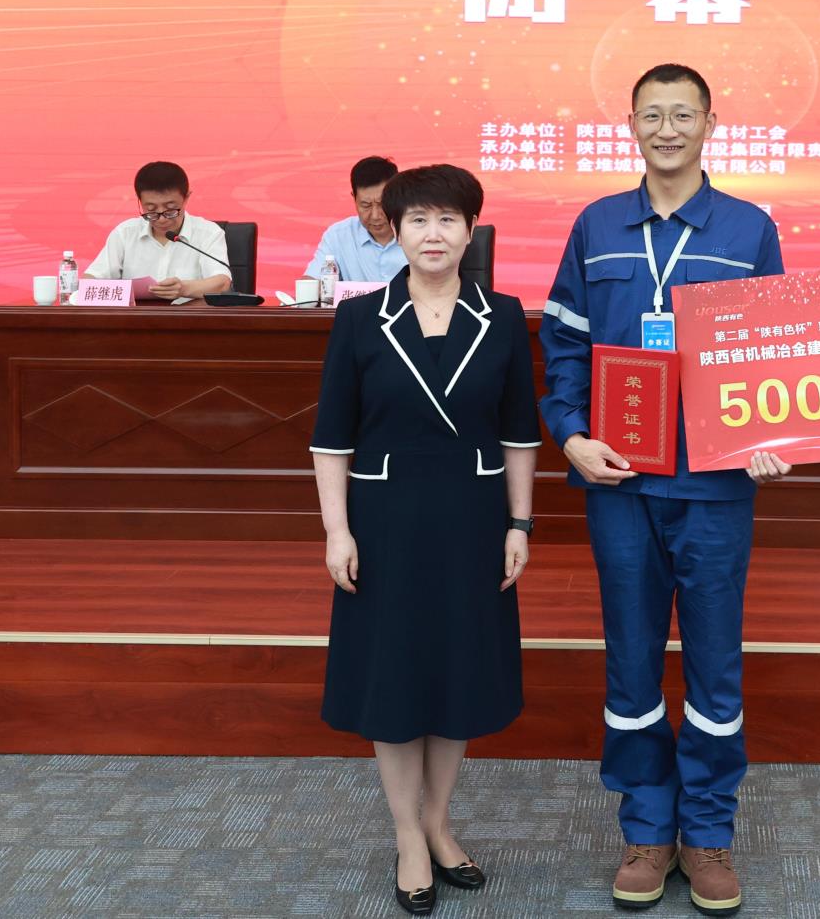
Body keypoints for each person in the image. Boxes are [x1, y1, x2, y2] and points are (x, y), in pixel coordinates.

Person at [539, 63, 790, 916]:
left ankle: (707, 831)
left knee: (715, 665)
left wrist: (773, 435)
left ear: (712, 124)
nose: (668, 128)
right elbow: (564, 345)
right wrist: (571, 434)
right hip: (619, 482)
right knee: (632, 659)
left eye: (684, 114)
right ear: (632, 125)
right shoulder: (597, 225)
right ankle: (647, 827)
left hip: (714, 486)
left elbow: (772, 354)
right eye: (653, 114)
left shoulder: (750, 228)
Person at [309, 164, 540, 915]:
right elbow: (331, 439)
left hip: (472, 520)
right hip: (385, 523)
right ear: (395, 230)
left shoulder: (502, 316)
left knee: (456, 675)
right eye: (417, 220)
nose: (432, 234)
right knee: (395, 678)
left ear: (471, 232)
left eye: (447, 220)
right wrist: (337, 531)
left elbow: (519, 432)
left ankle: (439, 823)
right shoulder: (359, 318)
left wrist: (519, 523)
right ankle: (407, 834)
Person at [82, 160, 232, 300]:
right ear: (140, 201)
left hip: (188, 317)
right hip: (134, 317)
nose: (161, 219)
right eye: (151, 210)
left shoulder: (208, 233)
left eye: (170, 209)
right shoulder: (125, 233)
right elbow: (91, 281)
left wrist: (184, 289)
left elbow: (222, 282)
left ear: (186, 198)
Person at [306, 155, 410, 284]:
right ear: (354, 198)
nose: (375, 216)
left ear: (396, 197)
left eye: (382, 204)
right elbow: (312, 281)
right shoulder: (338, 236)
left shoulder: (416, 234)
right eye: (366, 205)